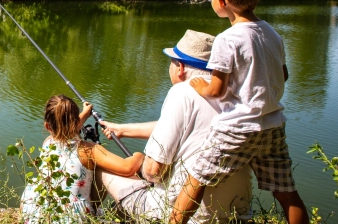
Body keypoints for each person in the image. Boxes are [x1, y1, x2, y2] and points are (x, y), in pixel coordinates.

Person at [171, 0, 307, 224]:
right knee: (286, 192)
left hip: (237, 128)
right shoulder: (272, 34)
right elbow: (284, 75)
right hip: (272, 126)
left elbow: (218, 90)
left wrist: (201, 87)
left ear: (222, 1)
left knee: (195, 182)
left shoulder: (227, 39)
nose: (210, 0)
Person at [98, 29, 253, 223]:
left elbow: (153, 172)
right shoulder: (236, 96)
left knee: (102, 168)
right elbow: (187, 127)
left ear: (180, 67)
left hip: (187, 216)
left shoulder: (181, 92)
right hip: (238, 215)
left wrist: (139, 165)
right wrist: (122, 130)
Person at [20, 94, 144, 223]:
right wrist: (140, 155)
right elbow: (128, 167)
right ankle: (94, 212)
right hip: (70, 218)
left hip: (37, 211)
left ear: (47, 126)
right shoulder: (88, 150)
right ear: (75, 122)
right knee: (101, 169)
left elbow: (66, 129)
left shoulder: (47, 142)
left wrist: (85, 113)